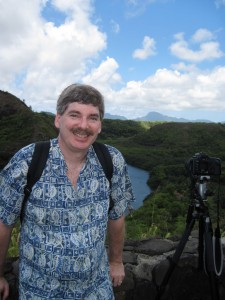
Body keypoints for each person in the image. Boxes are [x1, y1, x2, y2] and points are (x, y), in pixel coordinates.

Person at [0, 84, 135, 300]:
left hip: (96, 288)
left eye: (93, 117)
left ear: (100, 125)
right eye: (75, 115)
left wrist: (116, 261)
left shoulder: (112, 161)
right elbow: (3, 222)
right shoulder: (27, 161)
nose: (84, 125)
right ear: (58, 119)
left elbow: (117, 215)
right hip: (40, 290)